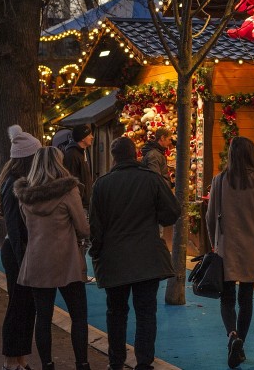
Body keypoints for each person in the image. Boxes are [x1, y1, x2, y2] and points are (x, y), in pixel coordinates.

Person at [89, 136, 181, 370]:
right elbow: (172, 211)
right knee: (146, 312)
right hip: (147, 257)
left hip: (114, 258)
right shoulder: (151, 179)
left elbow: (95, 226)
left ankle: (116, 360)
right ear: (135, 154)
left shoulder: (102, 184)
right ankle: (144, 362)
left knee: (116, 312)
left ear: (114, 157)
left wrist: (97, 253)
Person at [205, 137, 254, 369]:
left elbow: (210, 217)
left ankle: (232, 335)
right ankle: (241, 344)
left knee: (226, 299)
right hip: (251, 249)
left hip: (225, 248)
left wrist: (214, 243)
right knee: (245, 300)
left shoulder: (219, 180)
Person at [14, 146, 90, 370]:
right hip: (67, 262)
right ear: (59, 163)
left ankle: (47, 364)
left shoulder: (25, 196)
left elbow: (26, 227)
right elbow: (83, 228)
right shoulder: (68, 190)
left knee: (43, 317)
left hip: (37, 260)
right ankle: (82, 364)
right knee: (78, 316)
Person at [0, 125, 40, 370]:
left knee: (24, 305)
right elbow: (14, 228)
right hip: (18, 253)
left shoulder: (13, 180)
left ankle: (19, 358)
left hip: (18, 251)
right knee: (19, 305)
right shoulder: (14, 184)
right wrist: (25, 259)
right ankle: (11, 360)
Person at [61, 123, 95, 213]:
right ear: (83, 138)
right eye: (89, 135)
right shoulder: (72, 155)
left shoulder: (82, 152)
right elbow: (70, 180)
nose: (92, 137)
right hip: (79, 204)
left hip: (85, 202)